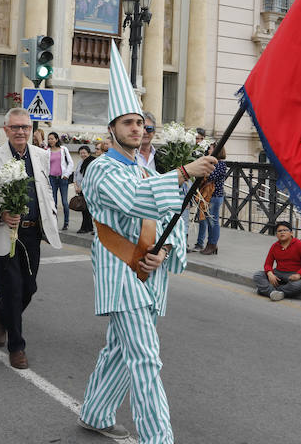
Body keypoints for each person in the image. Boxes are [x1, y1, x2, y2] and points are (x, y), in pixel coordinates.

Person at [77, 41, 216, 442]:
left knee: (120, 352)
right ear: (112, 130)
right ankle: (159, 439)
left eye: (141, 124)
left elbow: (163, 219)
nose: (137, 129)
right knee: (145, 359)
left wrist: (166, 251)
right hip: (123, 278)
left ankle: (96, 411)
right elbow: (136, 202)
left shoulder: (143, 170)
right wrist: (184, 172)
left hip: (147, 275)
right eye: (128, 123)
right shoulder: (103, 169)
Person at [0, 108, 62, 369]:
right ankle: (17, 346)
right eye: (15, 127)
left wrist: (52, 213)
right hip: (6, 232)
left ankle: (2, 317)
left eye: (25, 127)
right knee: (13, 291)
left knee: (29, 288)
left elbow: (45, 188)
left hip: (33, 232)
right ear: (5, 130)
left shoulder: (41, 155)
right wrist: (0, 213)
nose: (21, 132)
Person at [253, 221, 301, 301]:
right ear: (276, 235)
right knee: (258, 275)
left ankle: (267, 291)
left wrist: (299, 274)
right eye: (279, 231)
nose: (282, 233)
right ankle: (274, 293)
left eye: (285, 230)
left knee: (298, 285)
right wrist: (270, 273)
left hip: (294, 274)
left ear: (291, 233)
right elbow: (268, 264)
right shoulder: (274, 246)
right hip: (278, 273)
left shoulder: (299, 244)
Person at [197, 144, 228, 255]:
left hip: (214, 196)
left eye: (210, 148)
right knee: (210, 221)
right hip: (211, 196)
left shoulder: (220, 164)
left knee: (213, 221)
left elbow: (210, 176)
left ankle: (212, 244)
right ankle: (211, 244)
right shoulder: (216, 163)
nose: (208, 150)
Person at [47, 131, 74, 230]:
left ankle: (66, 223)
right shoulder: (47, 151)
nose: (50, 141)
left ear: (57, 139)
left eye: (52, 138)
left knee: (64, 202)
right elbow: (46, 165)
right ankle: (54, 222)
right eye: (49, 139)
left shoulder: (63, 149)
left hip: (62, 179)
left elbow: (70, 163)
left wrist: (66, 175)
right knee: (53, 202)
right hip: (52, 179)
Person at [74, 145, 94, 234]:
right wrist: (75, 186)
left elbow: (87, 177)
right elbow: (75, 174)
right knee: (84, 209)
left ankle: (85, 227)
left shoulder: (90, 162)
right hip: (79, 188)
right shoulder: (80, 162)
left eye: (84, 153)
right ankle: (88, 227)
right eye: (81, 153)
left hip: (87, 188)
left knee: (86, 209)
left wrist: (81, 188)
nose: (83, 155)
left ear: (88, 153)